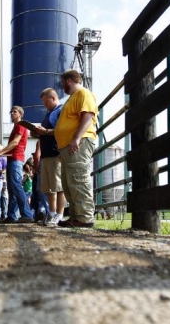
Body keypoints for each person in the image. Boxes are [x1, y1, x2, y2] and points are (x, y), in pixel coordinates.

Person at [53, 70, 98, 228]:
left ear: (69, 80)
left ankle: (85, 217)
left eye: (62, 81)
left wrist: (77, 138)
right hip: (68, 145)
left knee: (78, 179)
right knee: (69, 182)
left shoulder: (83, 94)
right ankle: (75, 216)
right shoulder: (72, 98)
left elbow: (88, 115)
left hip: (78, 142)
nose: (61, 85)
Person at [33, 88, 67, 226]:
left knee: (58, 186)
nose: (45, 105)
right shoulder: (49, 114)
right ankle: (51, 213)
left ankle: (59, 215)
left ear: (53, 98)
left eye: (46, 102)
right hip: (46, 155)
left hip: (55, 153)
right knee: (49, 187)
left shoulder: (60, 111)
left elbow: (63, 130)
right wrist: (38, 133)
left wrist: (45, 131)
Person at [0, 106, 34, 223]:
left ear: (20, 114)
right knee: (12, 189)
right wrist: (3, 155)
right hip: (12, 159)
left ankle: (27, 214)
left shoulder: (21, 125)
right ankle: (12, 215)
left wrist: (1, 152)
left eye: (14, 112)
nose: (12, 113)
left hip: (16, 159)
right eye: (11, 112)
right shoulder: (16, 127)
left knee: (16, 186)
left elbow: (15, 142)